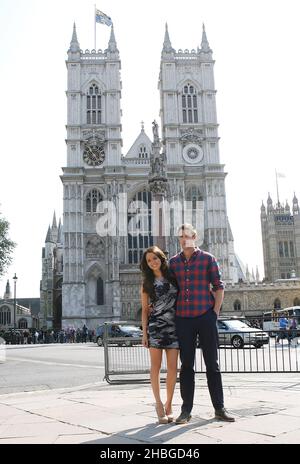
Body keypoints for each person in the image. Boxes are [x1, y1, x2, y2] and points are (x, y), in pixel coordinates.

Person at [169, 223, 235, 424]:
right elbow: (170, 290)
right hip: (183, 318)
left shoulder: (208, 259)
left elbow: (218, 286)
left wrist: (214, 312)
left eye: (187, 235)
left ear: (194, 236)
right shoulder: (173, 263)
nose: (183, 239)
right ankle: (186, 410)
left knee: (212, 364)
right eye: (180, 236)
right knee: (186, 365)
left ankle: (219, 407)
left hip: (205, 315)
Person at [140, 246, 179, 424]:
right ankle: (158, 404)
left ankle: (169, 404)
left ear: (161, 258)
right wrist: (145, 333)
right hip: (156, 327)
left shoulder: (173, 277)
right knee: (155, 368)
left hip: (174, 327)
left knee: (172, 368)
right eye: (149, 260)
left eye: (155, 258)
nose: (152, 262)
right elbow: (144, 311)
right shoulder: (146, 284)